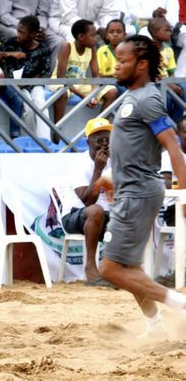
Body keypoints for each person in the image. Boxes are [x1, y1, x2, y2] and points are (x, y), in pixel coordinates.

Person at [99, 34, 186, 339]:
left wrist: (185, 192)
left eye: (122, 61)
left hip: (138, 191)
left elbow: (172, 145)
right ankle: (155, 328)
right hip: (132, 188)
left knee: (110, 270)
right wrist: (111, 177)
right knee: (128, 268)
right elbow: (133, 147)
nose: (115, 67)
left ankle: (182, 306)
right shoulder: (135, 97)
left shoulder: (147, 98)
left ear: (142, 63)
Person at [56, 117, 112, 285]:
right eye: (99, 140)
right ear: (88, 143)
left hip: (106, 215)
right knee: (95, 210)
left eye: (107, 140)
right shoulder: (79, 164)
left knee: (133, 211)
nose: (104, 144)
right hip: (75, 216)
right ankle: (90, 267)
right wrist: (98, 169)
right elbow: (88, 201)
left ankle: (118, 269)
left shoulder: (115, 161)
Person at [50, 19, 118, 128]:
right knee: (62, 94)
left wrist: (94, 94)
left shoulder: (92, 49)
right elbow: (61, 77)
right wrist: (84, 97)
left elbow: (95, 76)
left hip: (81, 82)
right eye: (93, 35)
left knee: (112, 92)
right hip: (61, 82)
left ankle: (98, 128)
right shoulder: (67, 46)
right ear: (81, 37)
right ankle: (57, 134)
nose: (96, 38)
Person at [0, 15, 51, 139]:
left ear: (33, 34)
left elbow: (43, 74)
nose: (18, 34)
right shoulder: (11, 43)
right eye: (18, 30)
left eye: (22, 32)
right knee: (28, 109)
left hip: (35, 84)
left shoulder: (44, 49)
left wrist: (26, 82)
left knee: (41, 105)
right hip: (16, 86)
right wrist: (10, 54)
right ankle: (33, 140)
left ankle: (45, 141)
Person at [148, 17, 186, 123]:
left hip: (167, 82)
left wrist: (173, 84)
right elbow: (151, 73)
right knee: (167, 98)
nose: (170, 33)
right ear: (155, 33)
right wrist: (168, 84)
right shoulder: (147, 49)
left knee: (184, 90)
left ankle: (175, 123)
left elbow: (171, 72)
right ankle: (166, 124)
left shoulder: (169, 50)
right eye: (166, 30)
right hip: (153, 84)